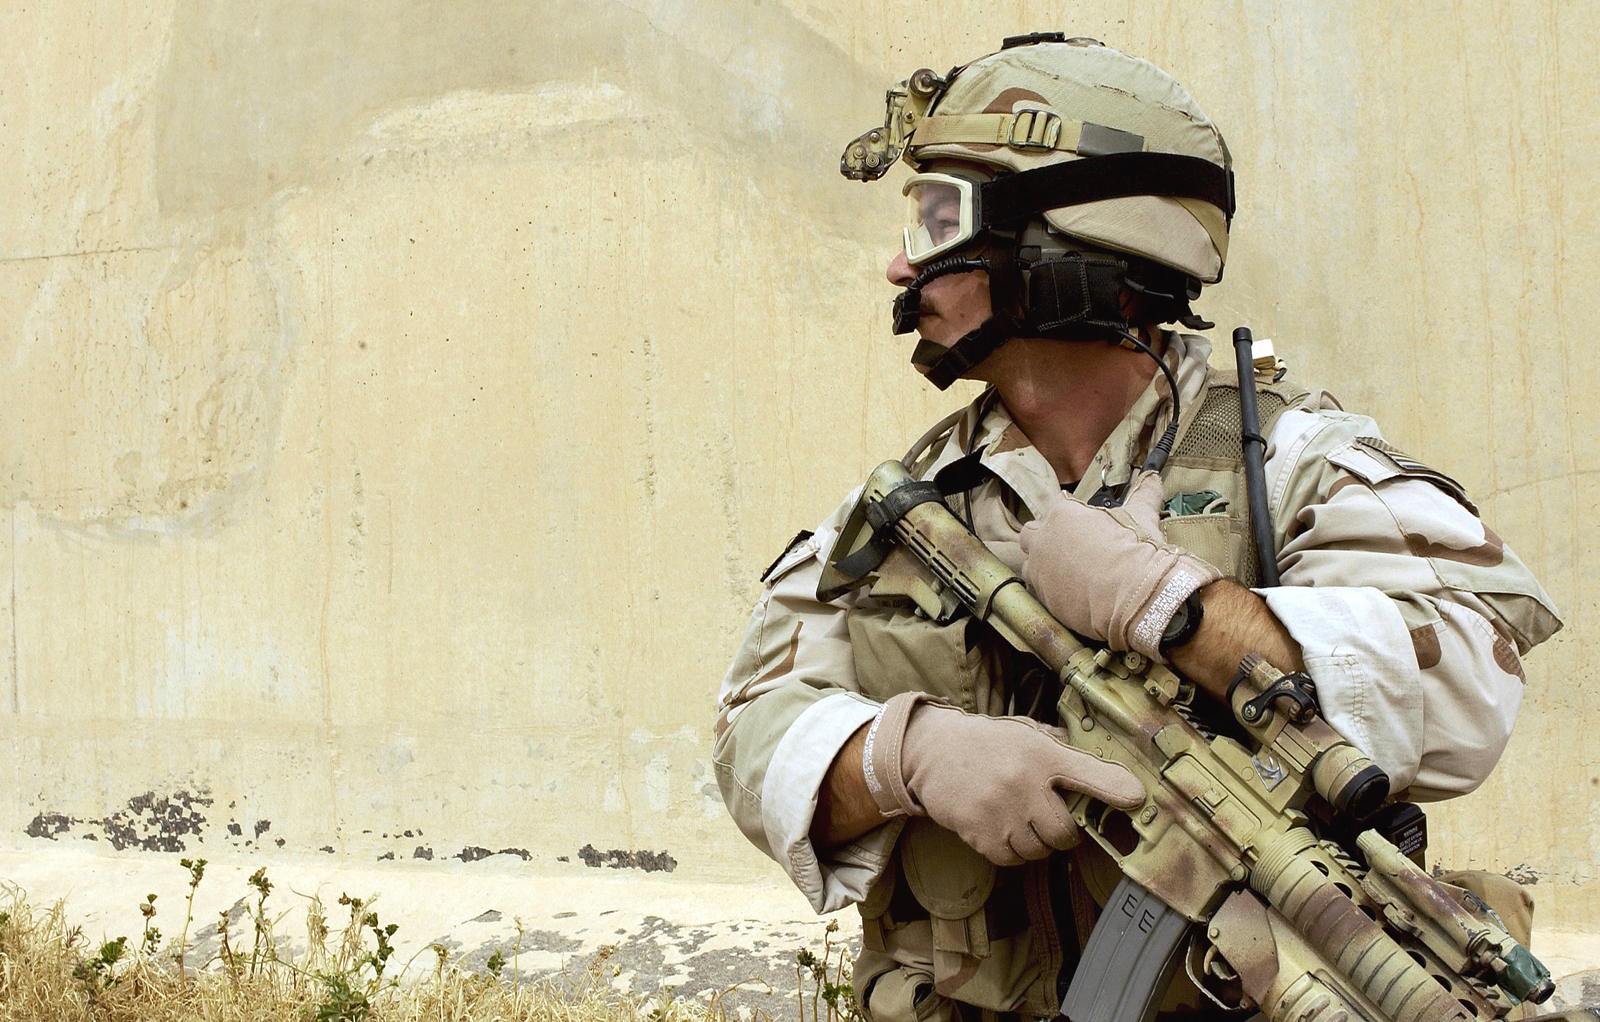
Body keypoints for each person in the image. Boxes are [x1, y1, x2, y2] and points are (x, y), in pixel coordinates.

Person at [713, 35, 1560, 1022]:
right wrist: (905, 756)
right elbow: (750, 732)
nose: (900, 262)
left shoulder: (1283, 460)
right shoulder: (914, 507)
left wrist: (1177, 608)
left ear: (1066, 244)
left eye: (940, 218)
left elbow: (1473, 666)